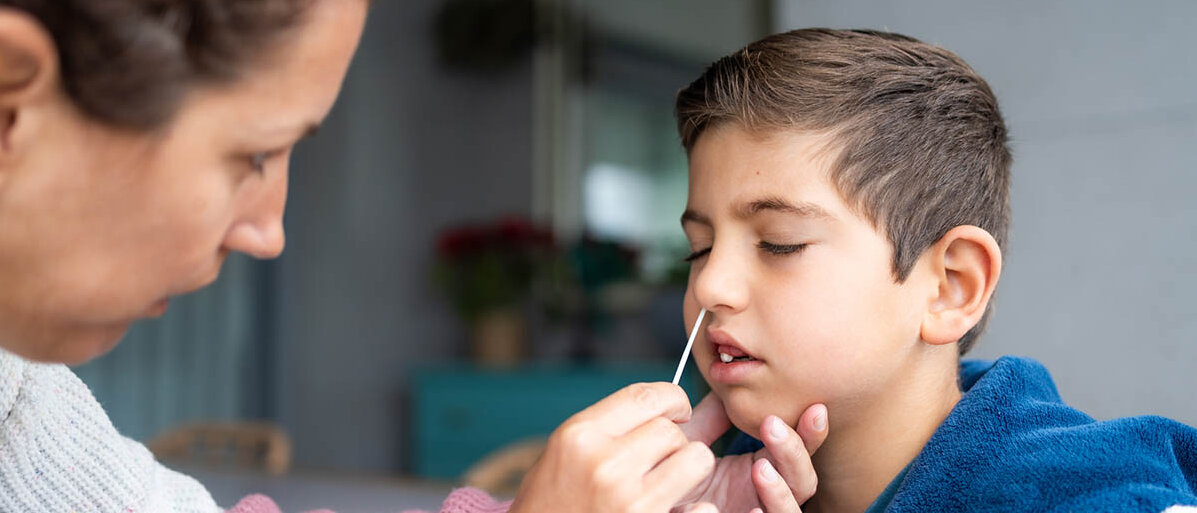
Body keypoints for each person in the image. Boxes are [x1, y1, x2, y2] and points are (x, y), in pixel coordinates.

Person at [0, 2, 820, 512]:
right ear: (10, 102)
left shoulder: (24, 405)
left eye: (778, 240)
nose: (268, 231)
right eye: (254, 154)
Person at [662, 28, 1197, 512]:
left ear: (950, 288)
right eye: (700, 248)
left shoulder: (1103, 496)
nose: (710, 285)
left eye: (780, 244)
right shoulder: (689, 482)